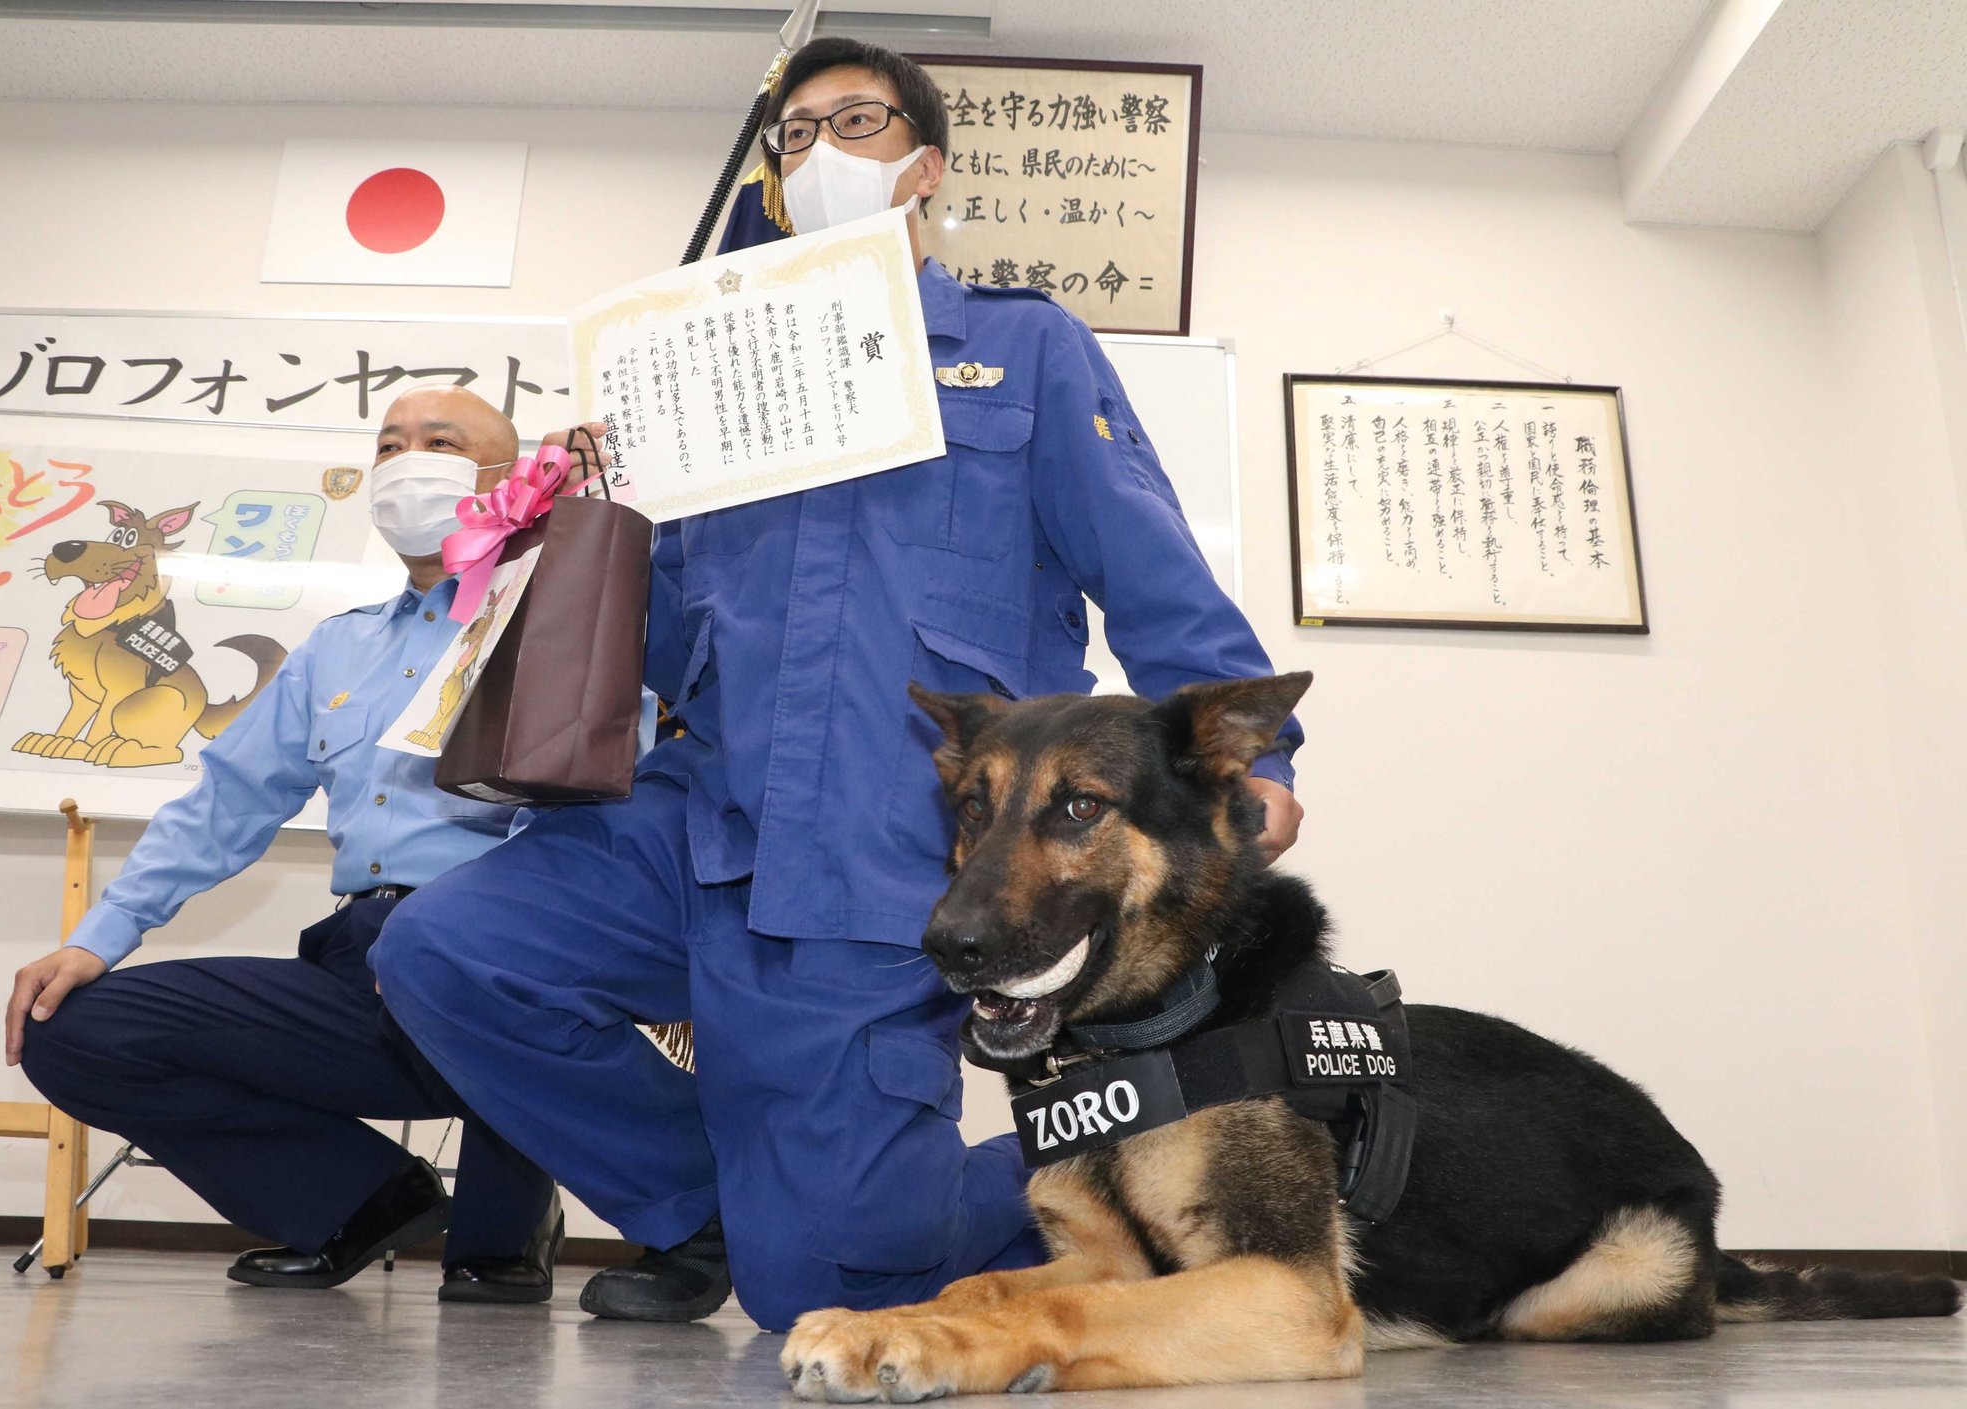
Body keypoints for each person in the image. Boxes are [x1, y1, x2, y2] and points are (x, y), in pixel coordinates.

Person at [372, 37, 1304, 1333]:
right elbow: (643, 649)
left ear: (921, 167)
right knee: (448, 952)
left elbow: (1155, 577)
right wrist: (577, 515)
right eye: (793, 139)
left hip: (891, 858)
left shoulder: (1020, 351)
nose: (817, 155)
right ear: (769, 188)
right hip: (693, 825)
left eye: (853, 125)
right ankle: (710, 1202)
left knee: (818, 1291)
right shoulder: (700, 374)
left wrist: (1257, 763)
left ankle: (1117, 1154)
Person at [10, 385, 564, 1303]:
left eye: (439, 441)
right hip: (362, 964)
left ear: (509, 477)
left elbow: (584, 822)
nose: (405, 460)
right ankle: (361, 1197)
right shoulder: (336, 650)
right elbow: (225, 802)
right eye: (389, 445)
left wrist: (463, 929)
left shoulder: (558, 625)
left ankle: (508, 1220)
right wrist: (95, 936)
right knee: (67, 1029)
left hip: (500, 960)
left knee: (487, 1277)